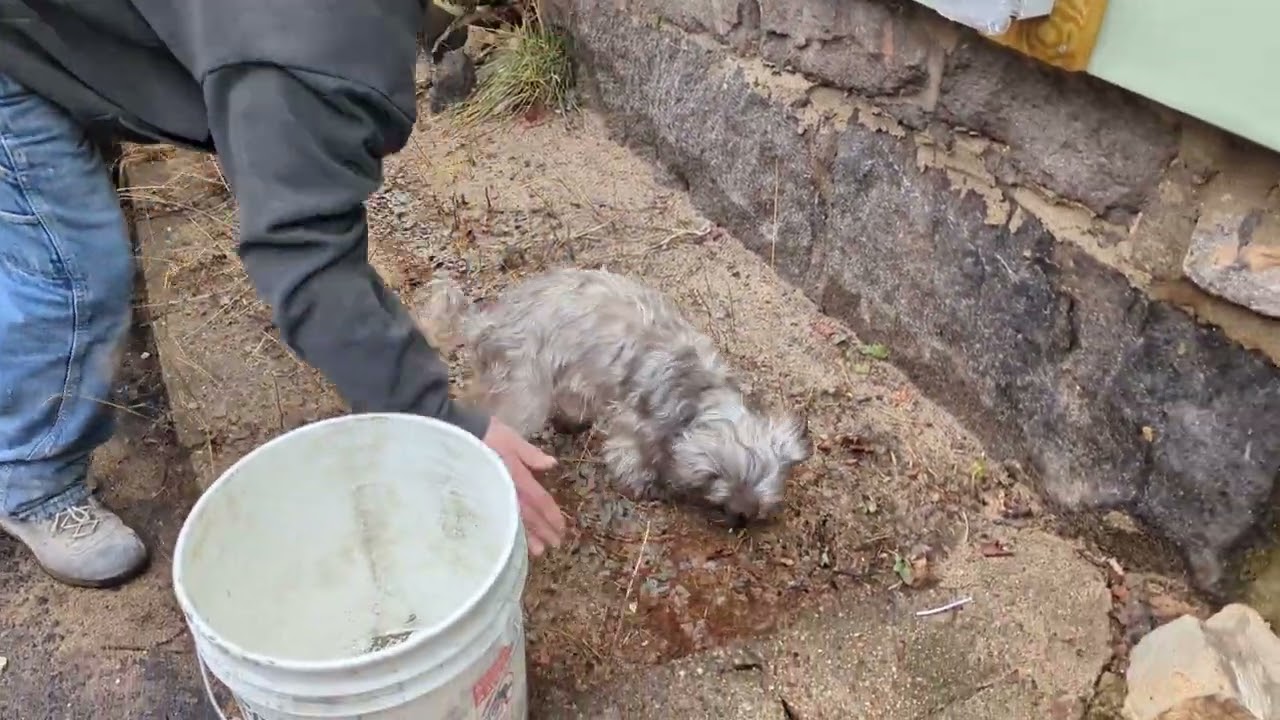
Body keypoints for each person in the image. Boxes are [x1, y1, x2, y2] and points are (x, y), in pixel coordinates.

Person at [0, 0, 566, 589]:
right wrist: (443, 424)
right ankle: (32, 479)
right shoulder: (305, 55)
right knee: (73, 270)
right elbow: (303, 257)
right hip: (15, 43)